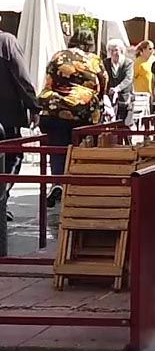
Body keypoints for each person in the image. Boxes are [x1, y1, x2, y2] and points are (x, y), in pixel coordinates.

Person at [37, 29, 108, 207]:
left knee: (57, 146)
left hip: (53, 110)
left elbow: (49, 81)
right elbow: (103, 85)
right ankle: (76, 187)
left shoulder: (58, 56)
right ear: (90, 43)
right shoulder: (93, 60)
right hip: (82, 110)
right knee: (80, 148)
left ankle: (58, 182)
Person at [0, 33, 39, 220]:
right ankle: (1, 201)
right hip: (6, 115)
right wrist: (34, 106)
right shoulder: (6, 42)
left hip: (7, 115)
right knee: (12, 157)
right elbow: (20, 75)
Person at [104, 39, 134, 123]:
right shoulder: (106, 63)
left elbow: (128, 79)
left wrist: (117, 88)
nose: (114, 53)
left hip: (125, 98)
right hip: (110, 99)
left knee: (124, 123)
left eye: (116, 50)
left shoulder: (128, 63)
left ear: (121, 50)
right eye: (111, 50)